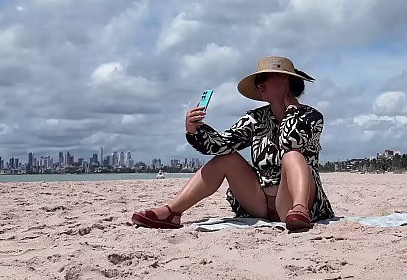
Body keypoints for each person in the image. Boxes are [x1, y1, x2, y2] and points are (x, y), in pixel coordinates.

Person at [130, 56, 335, 233]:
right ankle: (172, 212)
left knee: (292, 156)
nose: (259, 84)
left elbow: (290, 142)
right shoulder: (255, 118)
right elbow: (221, 144)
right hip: (259, 201)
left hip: (294, 199)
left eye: (263, 78)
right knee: (227, 158)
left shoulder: (311, 116)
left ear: (285, 78)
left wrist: (291, 111)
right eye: (257, 81)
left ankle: (300, 210)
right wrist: (194, 130)